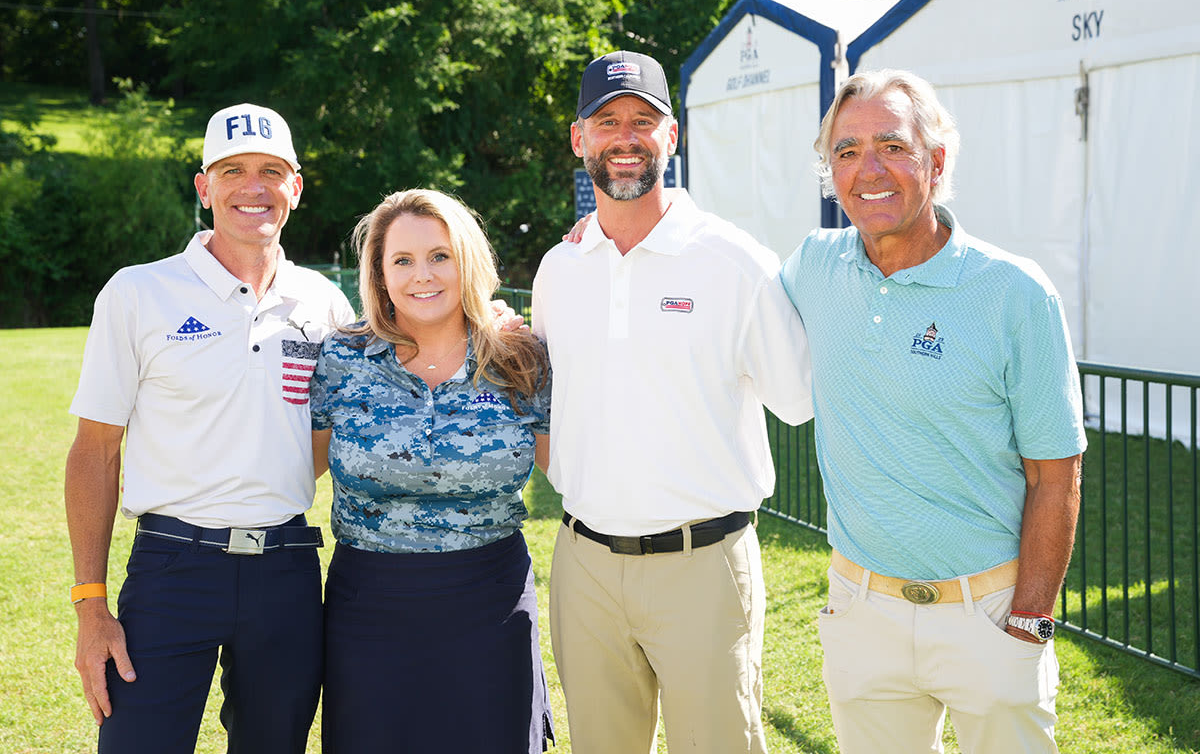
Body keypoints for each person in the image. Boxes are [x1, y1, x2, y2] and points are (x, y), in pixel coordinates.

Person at [778, 69, 1086, 753]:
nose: (869, 171)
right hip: (862, 613)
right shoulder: (814, 266)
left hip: (989, 612)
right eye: (847, 152)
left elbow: (1055, 477)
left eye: (892, 145)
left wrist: (1029, 623)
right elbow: (719, 304)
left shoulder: (1015, 293)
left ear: (936, 162)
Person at [532, 50, 813, 754]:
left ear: (671, 137)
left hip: (704, 563)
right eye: (607, 122)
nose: (625, 137)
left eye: (643, 121)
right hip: (584, 562)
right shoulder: (558, 268)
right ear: (579, 139)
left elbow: (801, 399)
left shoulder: (735, 261)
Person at [64, 103, 354, 752]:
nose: (254, 187)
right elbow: (94, 452)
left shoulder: (324, 304)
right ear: (204, 186)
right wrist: (91, 605)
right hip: (172, 568)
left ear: (296, 188)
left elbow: (325, 438)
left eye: (272, 171)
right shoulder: (138, 293)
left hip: (286, 570)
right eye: (233, 170)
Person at [311, 188, 555, 753]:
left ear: (467, 261)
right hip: (369, 606)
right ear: (378, 272)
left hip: (490, 602)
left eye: (439, 256)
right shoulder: (343, 359)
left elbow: (571, 469)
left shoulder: (520, 360)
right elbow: (298, 469)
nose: (423, 275)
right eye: (403, 260)